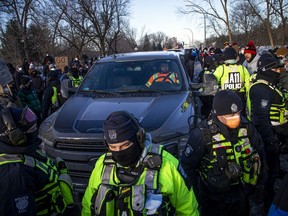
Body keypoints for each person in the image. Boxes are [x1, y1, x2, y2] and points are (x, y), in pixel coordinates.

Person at [82, 111, 199, 215]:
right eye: (113, 147)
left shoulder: (167, 165)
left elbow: (187, 209)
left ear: (139, 139)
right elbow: (88, 206)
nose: (119, 152)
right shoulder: (102, 164)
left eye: (125, 145)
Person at [181, 90, 267, 216]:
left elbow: (260, 152)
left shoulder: (247, 127)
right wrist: (198, 197)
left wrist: (260, 184)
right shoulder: (202, 134)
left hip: (242, 195)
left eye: (238, 114)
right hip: (213, 200)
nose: (236, 118)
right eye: (230, 115)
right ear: (218, 115)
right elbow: (188, 166)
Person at [0, 106, 77, 215]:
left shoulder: (23, 150)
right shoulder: (15, 175)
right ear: (15, 137)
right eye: (31, 129)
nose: (35, 132)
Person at [246, 53, 288, 208]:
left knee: (273, 162)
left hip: (277, 132)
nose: (279, 72)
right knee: (266, 169)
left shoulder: (269, 84)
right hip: (267, 135)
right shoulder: (260, 89)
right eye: (276, 69)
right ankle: (266, 198)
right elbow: (261, 119)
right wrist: (270, 140)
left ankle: (276, 172)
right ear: (267, 69)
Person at [213, 47, 251, 115]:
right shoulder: (242, 68)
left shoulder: (221, 69)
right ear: (235, 56)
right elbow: (248, 85)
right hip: (240, 98)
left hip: (225, 97)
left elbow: (213, 81)